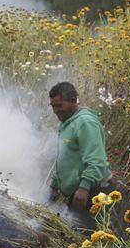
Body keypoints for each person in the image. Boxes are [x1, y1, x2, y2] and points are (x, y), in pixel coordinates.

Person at [47, 82, 116, 231]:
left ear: (73, 101)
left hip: (93, 193)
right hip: (79, 195)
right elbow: (64, 158)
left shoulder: (85, 123)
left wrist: (84, 187)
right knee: (74, 238)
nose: (55, 110)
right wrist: (54, 185)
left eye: (59, 105)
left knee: (90, 240)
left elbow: (96, 160)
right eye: (52, 106)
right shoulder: (67, 123)